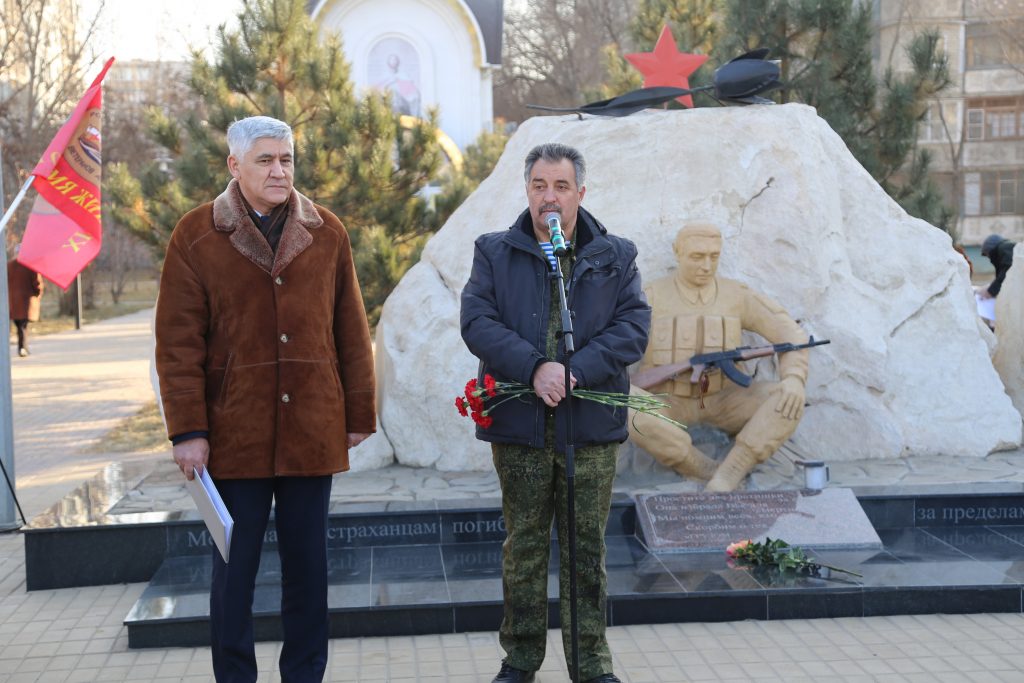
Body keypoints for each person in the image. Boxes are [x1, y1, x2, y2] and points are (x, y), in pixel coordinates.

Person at [154, 115, 376, 683]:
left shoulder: (326, 231)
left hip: (311, 429)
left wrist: (357, 412)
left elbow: (351, 328)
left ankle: (304, 675)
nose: (280, 171)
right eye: (266, 161)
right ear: (234, 165)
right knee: (234, 574)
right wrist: (188, 431)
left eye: (287, 160)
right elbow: (177, 344)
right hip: (234, 434)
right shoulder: (196, 235)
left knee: (309, 572)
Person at [461, 142, 650, 683]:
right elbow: (478, 321)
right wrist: (536, 367)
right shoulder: (495, 251)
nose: (550, 197)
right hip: (520, 425)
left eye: (561, 187)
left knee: (585, 548)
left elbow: (632, 328)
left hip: (587, 426)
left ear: (580, 194)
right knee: (523, 546)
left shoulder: (615, 255)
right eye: (540, 186)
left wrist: (576, 370)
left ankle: (590, 664)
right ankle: (520, 659)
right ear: (527, 191)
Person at [628, 223, 810, 492]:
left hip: (726, 399)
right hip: (667, 401)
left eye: (714, 257)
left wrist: (794, 378)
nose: (706, 266)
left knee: (788, 398)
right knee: (623, 404)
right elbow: (607, 342)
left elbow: (791, 334)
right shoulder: (649, 297)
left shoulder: (737, 295)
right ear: (677, 252)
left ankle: (732, 470)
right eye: (697, 257)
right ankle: (699, 467)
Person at [7, 251, 44, 358]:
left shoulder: (10, 265)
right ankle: (22, 348)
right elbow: (37, 283)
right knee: (23, 326)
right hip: (26, 301)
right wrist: (38, 294)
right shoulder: (31, 266)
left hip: (13, 301)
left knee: (20, 325)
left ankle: (23, 347)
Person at [978, 233, 1016, 300]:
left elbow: (1008, 270)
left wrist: (990, 291)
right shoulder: (1008, 249)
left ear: (991, 250)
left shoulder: (1005, 247)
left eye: (988, 255)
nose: (989, 258)